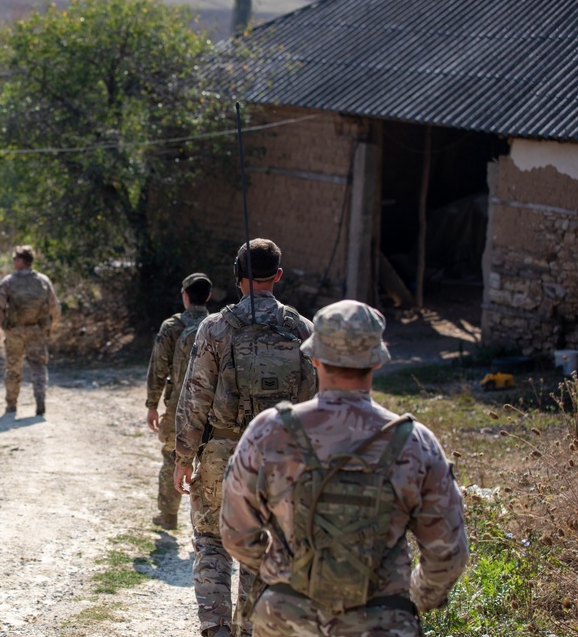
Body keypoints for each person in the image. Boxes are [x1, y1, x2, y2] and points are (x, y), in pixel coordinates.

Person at [220, 300, 469, 637]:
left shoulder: (270, 431)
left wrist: (280, 575)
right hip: (381, 622)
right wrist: (410, 600)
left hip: (286, 619)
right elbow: (448, 552)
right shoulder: (415, 443)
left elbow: (236, 533)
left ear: (315, 358)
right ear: (377, 362)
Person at [175, 238, 317, 637]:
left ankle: (216, 628)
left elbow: (194, 397)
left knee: (211, 542)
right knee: (263, 547)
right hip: (279, 460)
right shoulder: (302, 329)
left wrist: (183, 458)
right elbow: (312, 402)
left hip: (223, 455)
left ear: (238, 279)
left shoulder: (215, 327)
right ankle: (250, 629)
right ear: (279, 276)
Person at [145, 272, 213, 530]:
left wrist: (152, 405)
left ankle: (168, 515)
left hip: (177, 406)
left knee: (172, 457)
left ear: (185, 296)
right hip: (212, 406)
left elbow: (157, 369)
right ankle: (206, 523)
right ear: (208, 297)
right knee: (208, 463)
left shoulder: (172, 326)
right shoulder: (217, 325)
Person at [0, 245, 61, 415]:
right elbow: (54, 305)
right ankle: (40, 398)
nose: (13, 262)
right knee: (38, 366)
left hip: (14, 331)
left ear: (21, 261)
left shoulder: (8, 281)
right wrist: (53, 324)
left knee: (13, 367)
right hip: (37, 330)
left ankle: (11, 404)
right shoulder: (43, 280)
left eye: (15, 259)